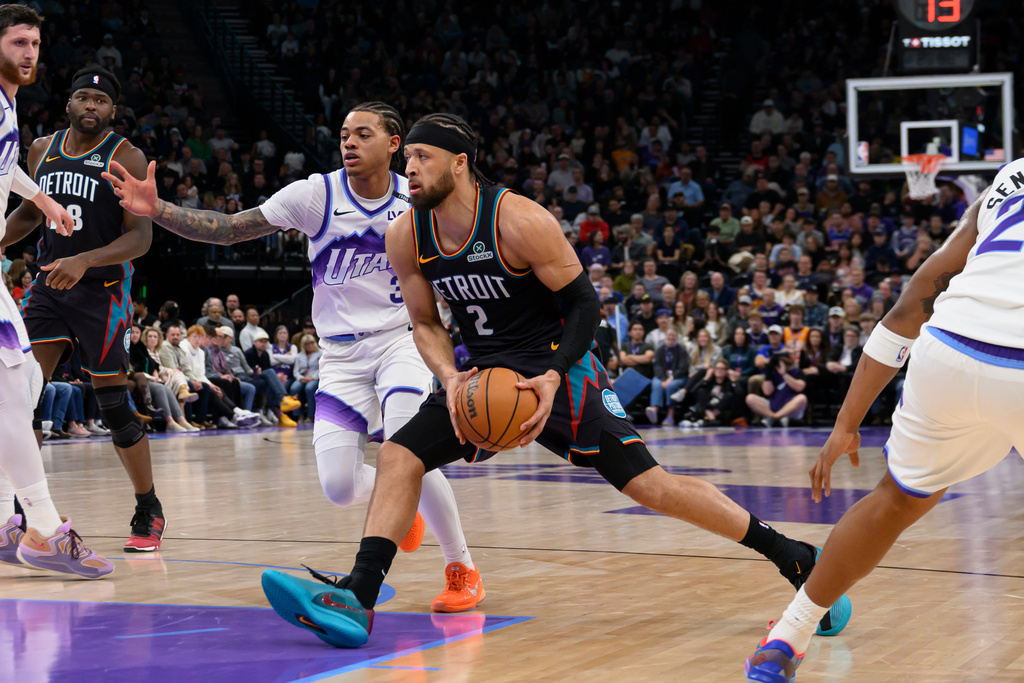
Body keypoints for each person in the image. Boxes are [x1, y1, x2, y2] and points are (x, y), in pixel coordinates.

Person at [243, 112, 850, 649]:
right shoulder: (406, 232)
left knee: (651, 488)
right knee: (399, 455)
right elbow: (424, 322)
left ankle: (796, 558)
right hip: (483, 379)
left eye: (422, 157)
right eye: (409, 159)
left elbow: (585, 305)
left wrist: (555, 377)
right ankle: (358, 598)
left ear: (460, 162)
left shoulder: (518, 219)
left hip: (560, 370)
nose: (411, 169)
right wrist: (449, 377)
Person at [105, 101, 481, 612]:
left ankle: (462, 568)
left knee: (407, 447)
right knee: (340, 487)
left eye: (363, 134)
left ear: (394, 144)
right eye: (344, 134)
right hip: (340, 355)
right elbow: (230, 228)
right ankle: (400, 502)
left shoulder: (417, 197)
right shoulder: (316, 194)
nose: (349, 142)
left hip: (401, 341)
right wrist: (158, 211)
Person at [743, 176, 1017, 682]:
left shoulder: (1010, 177)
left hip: (951, 346)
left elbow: (912, 304)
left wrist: (846, 424)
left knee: (894, 501)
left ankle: (787, 637)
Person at [3, 63, 165, 552]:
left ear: (113, 110)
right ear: (69, 103)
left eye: (101, 101)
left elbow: (140, 238)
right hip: (50, 287)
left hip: (104, 291)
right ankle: (24, 511)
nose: (91, 106)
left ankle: (148, 507)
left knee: (113, 405)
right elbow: (30, 211)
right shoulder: (40, 149)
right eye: (83, 98)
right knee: (19, 397)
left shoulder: (126, 156)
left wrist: (84, 260)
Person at [0, 5, 112, 577]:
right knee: (13, 389)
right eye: (18, 42)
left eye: (35, 43)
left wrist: (42, 199)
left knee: (19, 387)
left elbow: (5, 167)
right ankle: (42, 528)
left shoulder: (7, 104)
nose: (29, 53)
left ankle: (7, 520)